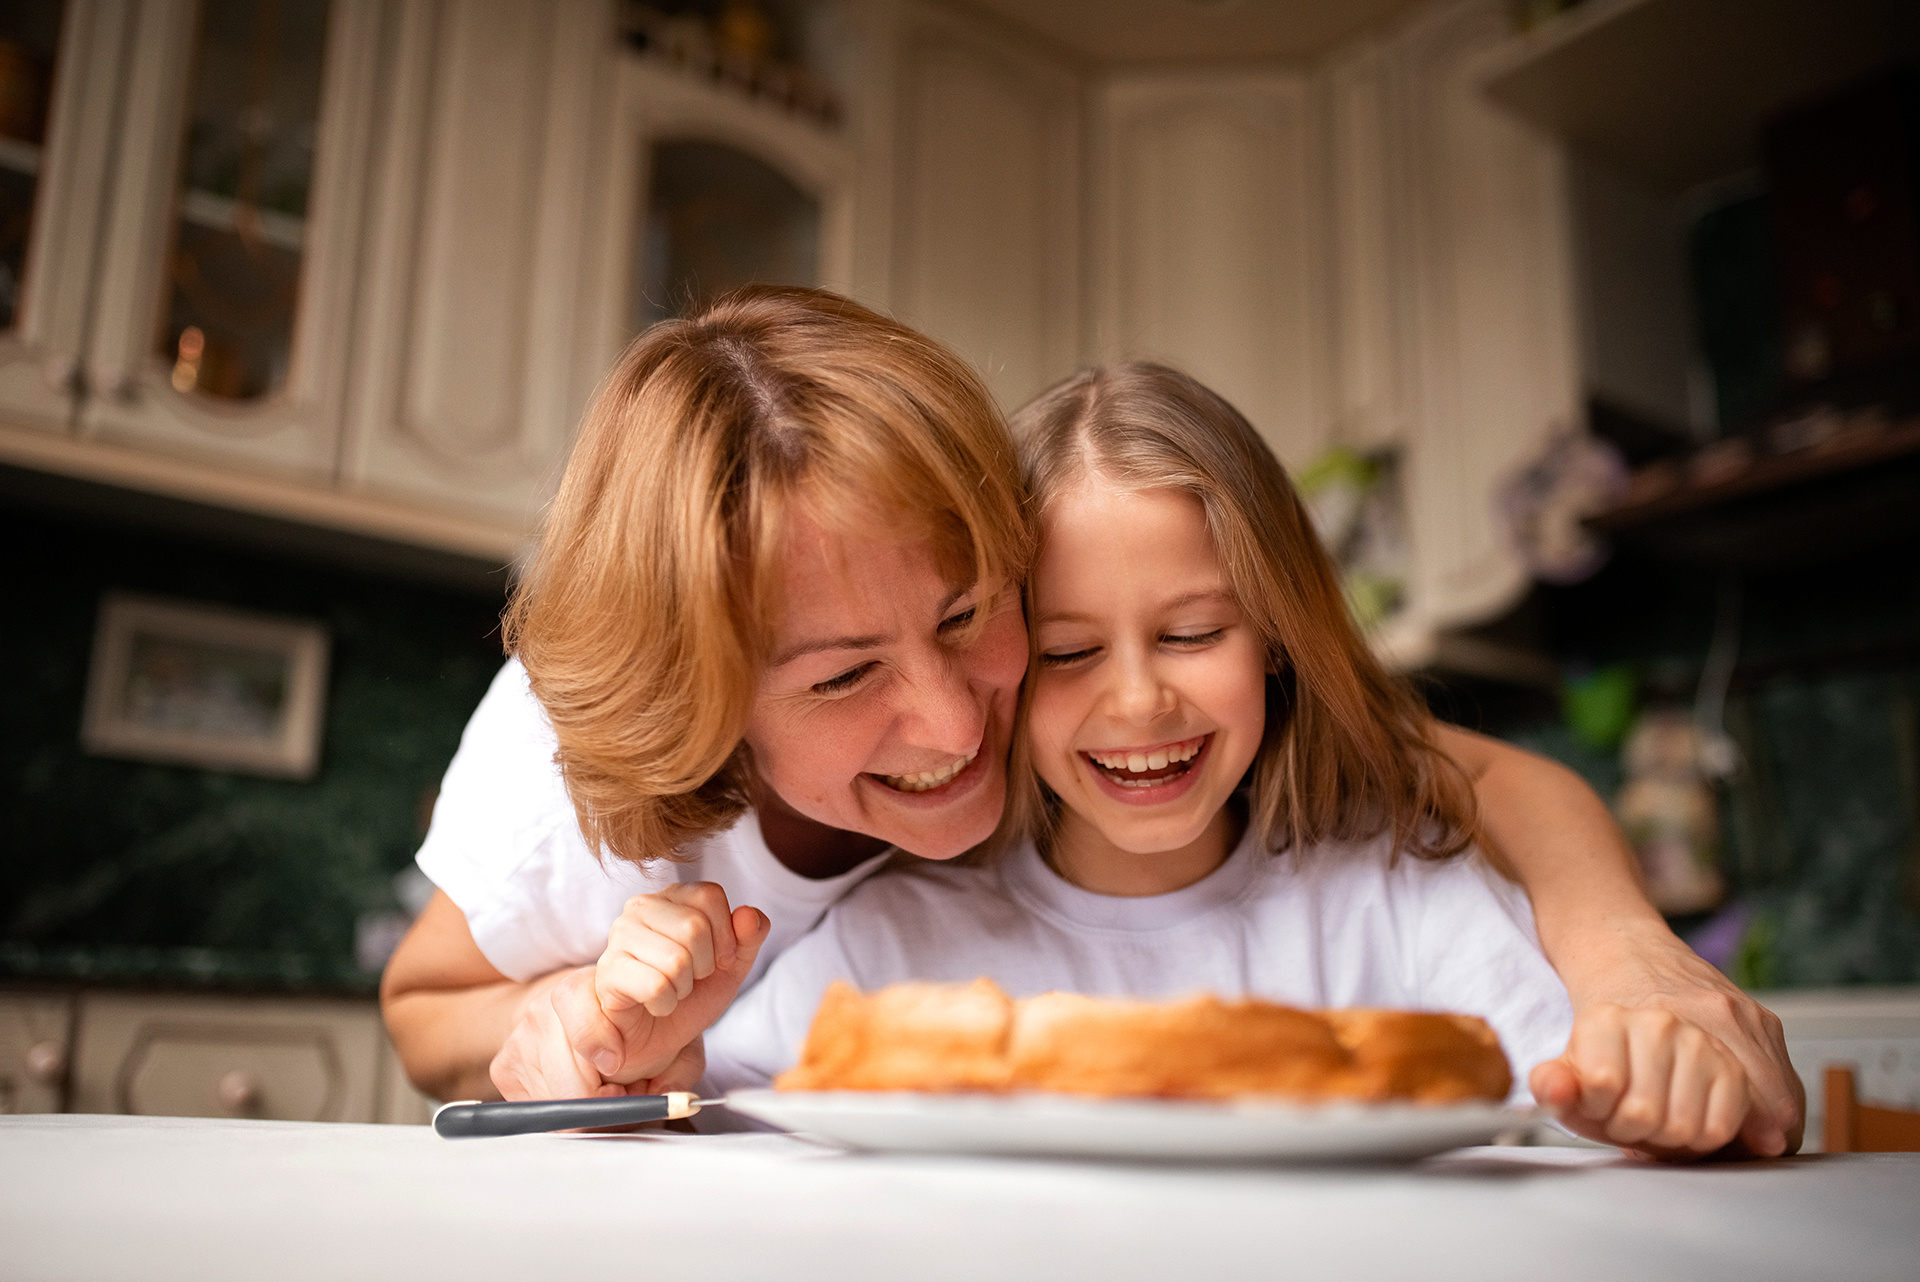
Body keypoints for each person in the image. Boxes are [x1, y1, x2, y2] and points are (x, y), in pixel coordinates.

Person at [379, 288, 1801, 1155]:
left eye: (970, 618)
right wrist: (587, 1035)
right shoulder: (586, 771)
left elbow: (1450, 771)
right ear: (712, 710)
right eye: (837, 677)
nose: (952, 716)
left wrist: (1633, 969)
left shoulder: (1368, 881)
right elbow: (445, 1019)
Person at [658, 362, 1742, 1155]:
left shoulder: (1400, 899)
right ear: (1001, 666)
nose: (1139, 699)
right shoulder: (896, 942)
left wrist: (1663, 1081)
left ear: (1275, 635)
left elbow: (1582, 1106)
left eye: (1192, 633)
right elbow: (709, 1120)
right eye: (1069, 649)